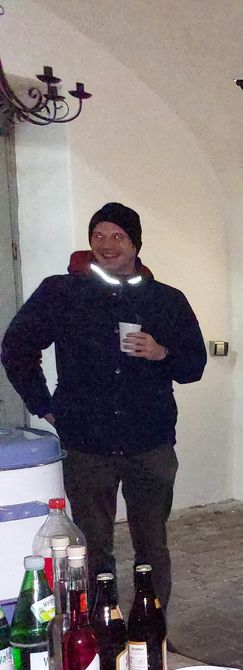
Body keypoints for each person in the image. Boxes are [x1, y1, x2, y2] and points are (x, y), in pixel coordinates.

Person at [1, 202, 206, 608]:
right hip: (87, 444)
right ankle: (97, 627)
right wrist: (43, 405)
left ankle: (152, 629)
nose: (107, 245)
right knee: (92, 548)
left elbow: (193, 365)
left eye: (118, 237)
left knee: (152, 546)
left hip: (150, 444)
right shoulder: (62, 292)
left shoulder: (166, 300)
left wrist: (161, 352)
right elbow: (16, 347)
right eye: (99, 235)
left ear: (135, 244)